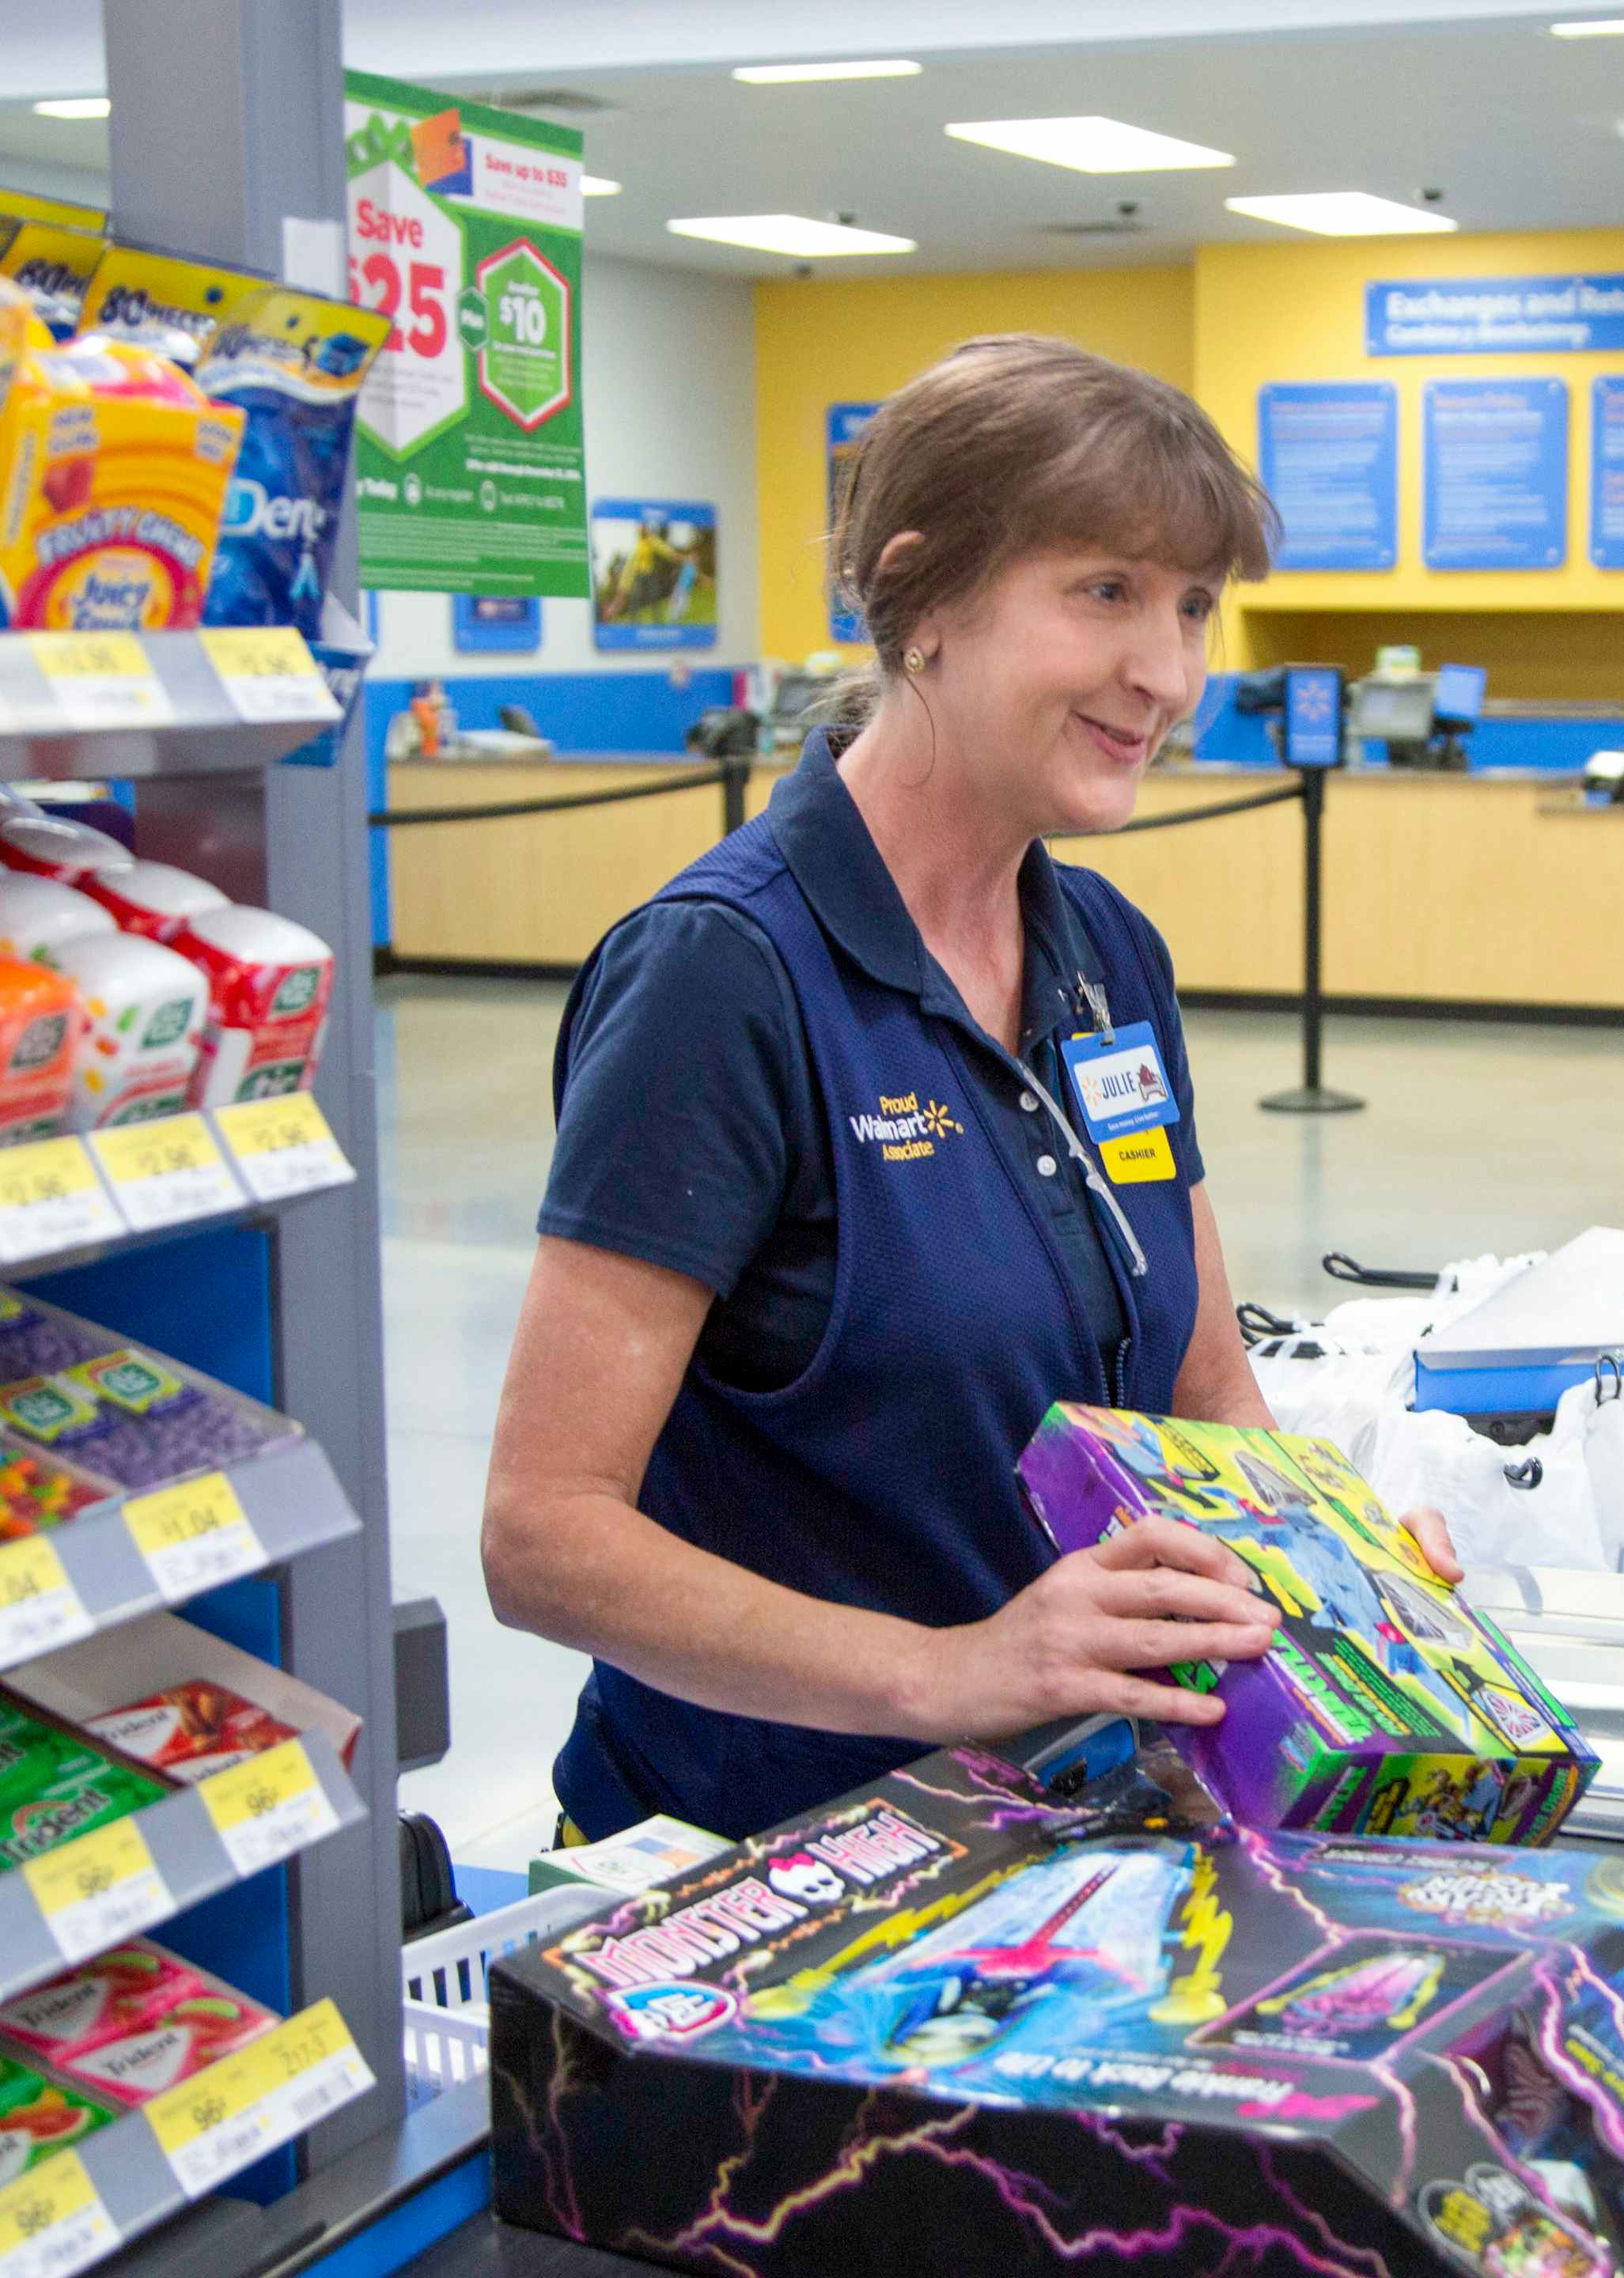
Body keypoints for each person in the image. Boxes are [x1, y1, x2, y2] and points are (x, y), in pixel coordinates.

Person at [483, 335, 1458, 1843]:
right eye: (1106, 593)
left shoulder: (1106, 954)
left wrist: (1337, 1577)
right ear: (924, 594)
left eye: (1195, 606)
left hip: (1066, 1822)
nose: (1171, 673)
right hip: (773, 1858)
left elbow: (1203, 1392)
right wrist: (958, 1672)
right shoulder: (723, 977)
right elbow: (543, 1539)